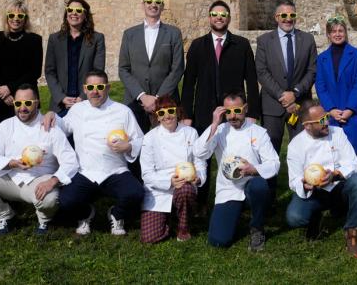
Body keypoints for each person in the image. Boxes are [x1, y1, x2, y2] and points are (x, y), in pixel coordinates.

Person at [0, 85, 77, 235]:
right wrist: (11, 163)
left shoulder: (50, 126)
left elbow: (70, 161)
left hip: (39, 180)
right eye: (18, 103)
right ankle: (6, 215)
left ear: (37, 103)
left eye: (28, 103)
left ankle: (44, 219)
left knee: (50, 200)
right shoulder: (6, 126)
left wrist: (52, 181)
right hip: (10, 177)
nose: (22, 108)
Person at [55, 70, 145, 236]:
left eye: (100, 87)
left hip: (115, 170)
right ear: (85, 89)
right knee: (66, 200)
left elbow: (140, 139)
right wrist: (51, 116)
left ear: (108, 88)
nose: (95, 91)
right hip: (85, 170)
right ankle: (85, 214)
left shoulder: (123, 111)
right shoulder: (77, 110)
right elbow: (62, 126)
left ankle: (116, 214)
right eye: (90, 87)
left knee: (136, 193)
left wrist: (128, 146)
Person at [195, 93, 280, 251]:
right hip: (229, 189)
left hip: (252, 184)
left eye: (237, 110)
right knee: (218, 240)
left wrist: (254, 169)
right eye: (228, 112)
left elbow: (274, 163)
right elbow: (200, 153)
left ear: (245, 109)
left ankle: (257, 227)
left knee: (259, 186)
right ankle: (235, 213)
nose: (233, 116)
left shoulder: (258, 132)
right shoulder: (219, 130)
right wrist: (214, 124)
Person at [284, 102, 357, 258]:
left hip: (338, 187)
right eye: (321, 120)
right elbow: (294, 180)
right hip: (314, 193)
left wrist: (335, 174)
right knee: (294, 217)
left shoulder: (337, 133)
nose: (327, 122)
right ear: (307, 126)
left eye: (327, 117)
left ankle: (351, 232)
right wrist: (305, 184)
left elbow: (352, 162)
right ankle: (315, 217)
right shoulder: (296, 145)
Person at [254, 0, 317, 203]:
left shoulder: (307, 40)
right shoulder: (265, 41)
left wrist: (295, 93)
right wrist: (283, 95)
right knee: (270, 150)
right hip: (273, 105)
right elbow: (262, 72)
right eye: (283, 15)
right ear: (276, 17)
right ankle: (269, 197)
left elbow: (312, 70)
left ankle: (304, 194)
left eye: (291, 15)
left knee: (303, 149)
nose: (288, 19)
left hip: (300, 105)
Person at [181, 0, 261, 133]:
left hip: (234, 113)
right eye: (215, 14)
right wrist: (186, 115)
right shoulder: (197, 45)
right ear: (209, 18)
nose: (219, 17)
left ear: (229, 18)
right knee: (204, 147)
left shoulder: (242, 45)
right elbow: (188, 84)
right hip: (204, 113)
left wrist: (252, 113)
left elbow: (252, 82)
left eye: (223, 14)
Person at [139, 95, 206, 243]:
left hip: (184, 184)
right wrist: (169, 181)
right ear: (157, 116)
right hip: (159, 190)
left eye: (170, 111)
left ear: (177, 112)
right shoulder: (150, 138)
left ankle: (183, 227)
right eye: (161, 113)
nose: (167, 116)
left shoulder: (190, 132)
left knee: (185, 190)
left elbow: (200, 161)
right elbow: (147, 174)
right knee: (149, 238)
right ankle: (171, 219)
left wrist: (199, 177)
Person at [118, 0, 185, 133]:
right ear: (143, 5)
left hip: (165, 103)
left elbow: (177, 68)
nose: (153, 5)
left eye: (157, 2)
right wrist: (142, 96)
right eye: (149, 1)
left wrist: (157, 98)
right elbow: (123, 69)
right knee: (134, 144)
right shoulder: (129, 34)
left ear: (163, 6)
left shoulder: (173, 33)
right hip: (135, 102)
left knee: (166, 143)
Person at [0, 0, 43, 143]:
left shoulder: (34, 40)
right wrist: (2, 92)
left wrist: (10, 88)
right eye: (12, 15)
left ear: (25, 19)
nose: (16, 19)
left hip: (24, 100)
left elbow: (34, 71)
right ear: (6, 17)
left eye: (20, 16)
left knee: (23, 142)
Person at [313, 15, 357, 164]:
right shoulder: (322, 58)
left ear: (345, 32)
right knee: (333, 158)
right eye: (334, 31)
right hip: (332, 115)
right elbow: (320, 86)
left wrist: (350, 109)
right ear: (328, 34)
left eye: (340, 31)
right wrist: (331, 109)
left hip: (352, 113)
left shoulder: (356, 55)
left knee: (355, 158)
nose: (337, 34)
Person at [44, 0, 106, 116]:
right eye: (70, 10)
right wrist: (61, 97)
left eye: (78, 10)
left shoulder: (97, 39)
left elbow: (98, 71)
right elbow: (50, 71)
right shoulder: (54, 39)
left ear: (85, 15)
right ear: (66, 14)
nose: (74, 13)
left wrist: (83, 97)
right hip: (60, 105)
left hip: (87, 103)